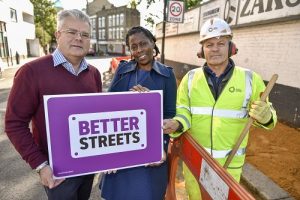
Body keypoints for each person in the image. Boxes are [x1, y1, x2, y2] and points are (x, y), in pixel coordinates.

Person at [163, 18, 277, 199]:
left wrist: (266, 117)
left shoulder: (251, 79)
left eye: (221, 43)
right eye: (209, 44)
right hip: (195, 163)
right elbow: (183, 111)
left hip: (229, 167)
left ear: (231, 47)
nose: (215, 48)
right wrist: (177, 124)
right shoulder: (190, 79)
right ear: (202, 50)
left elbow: (267, 115)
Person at [5, 9, 102, 200]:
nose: (78, 38)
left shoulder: (94, 74)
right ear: (58, 34)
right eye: (71, 32)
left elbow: (97, 117)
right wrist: (40, 165)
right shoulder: (31, 72)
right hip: (57, 171)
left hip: (88, 164)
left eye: (84, 34)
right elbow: (14, 124)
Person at [100, 26, 177, 200]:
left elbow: (169, 115)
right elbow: (108, 108)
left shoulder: (167, 75)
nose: (139, 50)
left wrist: (158, 149)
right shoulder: (122, 70)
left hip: (149, 154)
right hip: (122, 150)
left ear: (152, 43)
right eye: (134, 47)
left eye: (143, 43)